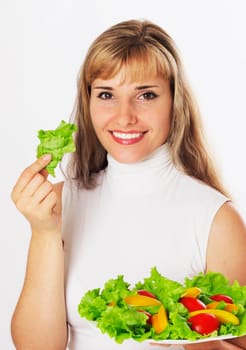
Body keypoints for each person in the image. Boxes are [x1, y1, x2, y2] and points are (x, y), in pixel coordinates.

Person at [11, 19, 246, 350]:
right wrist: (44, 232)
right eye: (106, 94)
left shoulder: (217, 220)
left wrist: (187, 336)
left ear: (175, 103)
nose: (124, 117)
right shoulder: (60, 203)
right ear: (88, 102)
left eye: (146, 95)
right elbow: (37, 347)